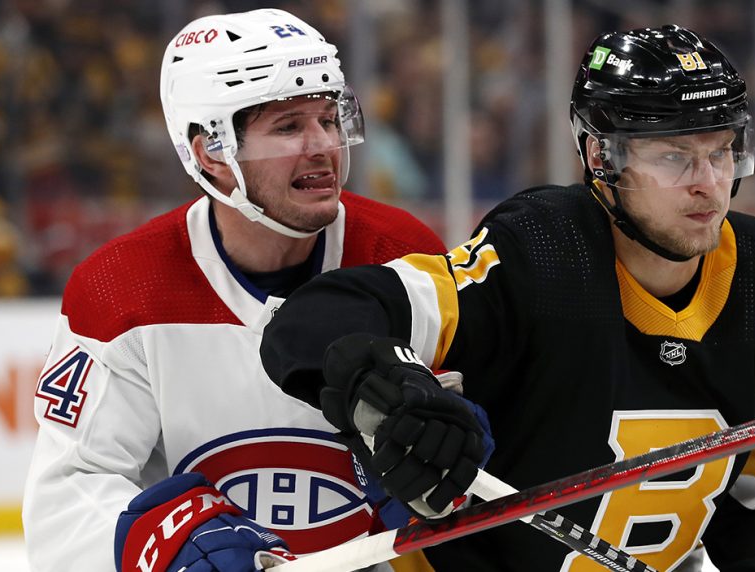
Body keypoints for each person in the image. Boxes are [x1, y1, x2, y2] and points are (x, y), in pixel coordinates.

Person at [260, 25, 755, 572]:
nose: (707, 183)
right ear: (600, 157)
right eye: (673, 157)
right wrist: (390, 384)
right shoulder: (541, 253)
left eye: (721, 152)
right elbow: (320, 318)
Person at [22, 8, 446, 572]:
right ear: (211, 152)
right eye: (288, 126)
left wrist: (449, 465)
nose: (323, 145)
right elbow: (68, 495)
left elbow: (476, 446)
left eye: (328, 118)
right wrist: (162, 544)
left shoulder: (404, 256)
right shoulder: (122, 289)